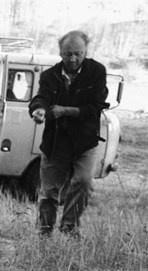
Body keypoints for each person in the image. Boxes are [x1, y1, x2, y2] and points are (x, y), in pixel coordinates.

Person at [29, 30, 109, 236]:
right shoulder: (49, 75)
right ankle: (44, 232)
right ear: (60, 52)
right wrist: (39, 110)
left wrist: (65, 111)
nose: (73, 59)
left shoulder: (97, 72)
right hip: (55, 141)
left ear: (86, 51)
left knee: (83, 182)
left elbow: (96, 106)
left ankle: (69, 228)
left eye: (78, 53)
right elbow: (41, 98)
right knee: (49, 191)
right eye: (68, 54)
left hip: (85, 140)